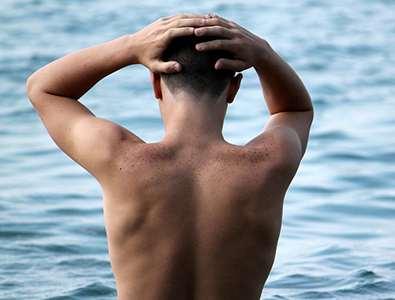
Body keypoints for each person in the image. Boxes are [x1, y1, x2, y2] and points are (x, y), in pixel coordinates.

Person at [27, 13, 313, 300]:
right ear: (233, 89)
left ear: (154, 83)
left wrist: (130, 46)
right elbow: (295, 110)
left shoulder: (119, 157)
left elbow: (44, 88)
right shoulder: (270, 161)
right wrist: (262, 52)